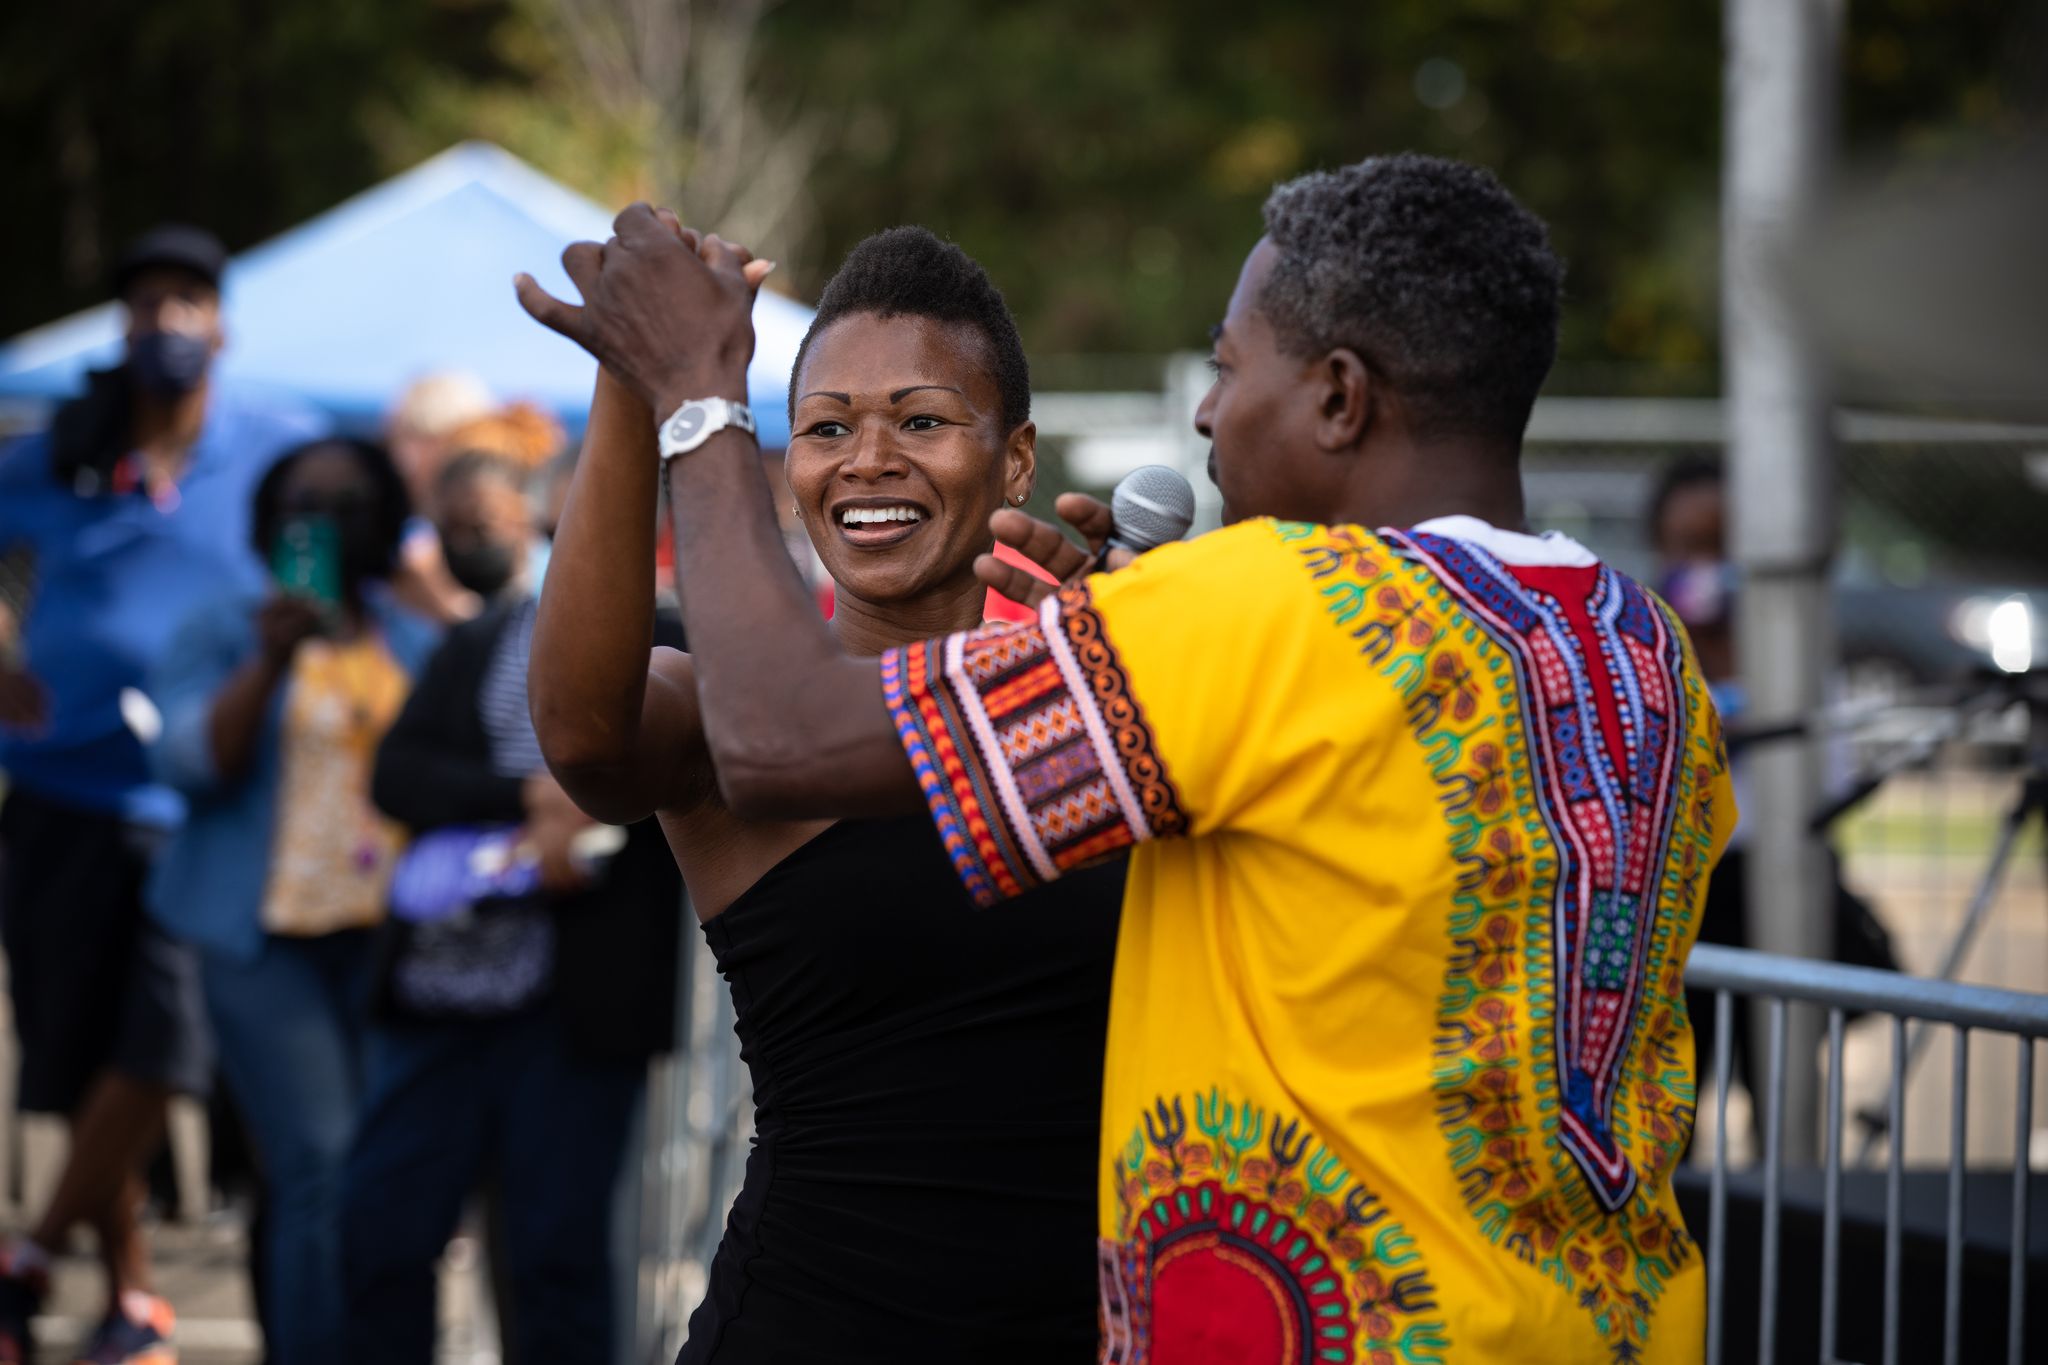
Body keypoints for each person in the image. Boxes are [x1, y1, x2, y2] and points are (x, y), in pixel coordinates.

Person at [516, 155, 1738, 1362]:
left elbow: (782, 733)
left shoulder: (1258, 617)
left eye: (1225, 369)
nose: (1205, 415)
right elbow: (605, 730)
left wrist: (693, 392)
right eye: (826, 426)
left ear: (1339, 399)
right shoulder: (1637, 644)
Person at [527, 226, 1126, 1360]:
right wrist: (636, 372)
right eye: (826, 428)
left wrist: (1116, 631)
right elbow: (586, 734)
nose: (866, 460)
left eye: (921, 421)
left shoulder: (1100, 691)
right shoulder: (738, 723)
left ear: (1013, 460)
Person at [0, 224, 326, 1365]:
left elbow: (321, 554)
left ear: (222, 321)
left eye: (187, 300)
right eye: (144, 305)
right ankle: (133, 1299)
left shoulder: (273, 446)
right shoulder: (62, 450)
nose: (166, 324)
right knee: (83, 1062)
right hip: (55, 799)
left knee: (166, 1044)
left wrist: (299, 632)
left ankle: (27, 1258)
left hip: (203, 808)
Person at [340, 450, 681, 1363]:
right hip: (441, 1001)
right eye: (570, 518)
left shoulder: (679, 637)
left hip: (571, 1014)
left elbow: (722, 771)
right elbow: (397, 772)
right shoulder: (485, 637)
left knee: (554, 1261)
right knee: (380, 1233)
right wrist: (525, 796)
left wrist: (597, 808)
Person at [145, 437, 434, 1365]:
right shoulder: (228, 625)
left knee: (379, 1169)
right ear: (271, 522)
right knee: (322, 1158)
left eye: (348, 503)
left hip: (390, 940)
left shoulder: (409, 630)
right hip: (259, 940)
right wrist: (268, 661)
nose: (325, 522)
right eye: (305, 504)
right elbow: (187, 763)